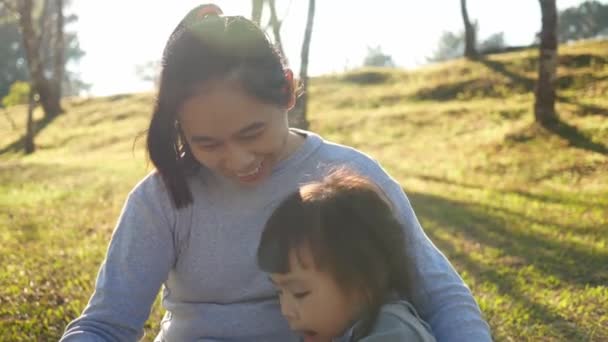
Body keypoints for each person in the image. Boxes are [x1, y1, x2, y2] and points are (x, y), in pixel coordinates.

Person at [61, 3, 491, 341]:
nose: (238, 159)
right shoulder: (162, 200)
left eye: (253, 132)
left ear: (287, 89)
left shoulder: (349, 174)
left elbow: (439, 294)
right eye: (207, 143)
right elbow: (105, 326)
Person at [257, 168, 436, 342]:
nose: (286, 310)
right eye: (279, 292)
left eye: (300, 293)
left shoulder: (393, 333)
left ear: (363, 281)